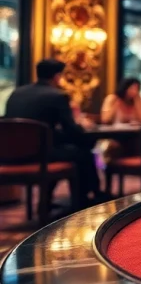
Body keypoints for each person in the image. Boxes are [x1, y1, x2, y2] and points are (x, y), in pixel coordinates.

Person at [3, 58, 101, 204]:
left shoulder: (16, 93)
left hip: (8, 154)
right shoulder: (57, 96)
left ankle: (47, 200)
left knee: (72, 150)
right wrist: (86, 131)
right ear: (57, 76)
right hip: (40, 155)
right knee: (82, 152)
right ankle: (83, 200)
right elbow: (71, 130)